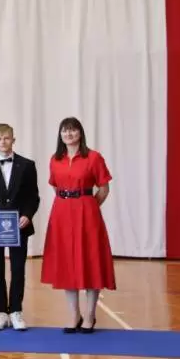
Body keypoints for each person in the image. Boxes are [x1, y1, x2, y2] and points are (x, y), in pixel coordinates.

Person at [41, 117, 114, 334]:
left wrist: (89, 207)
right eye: (65, 131)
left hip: (87, 213)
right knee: (67, 263)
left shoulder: (94, 157)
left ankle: (89, 315)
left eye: (73, 130)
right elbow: (56, 186)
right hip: (62, 213)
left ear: (80, 133)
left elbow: (104, 189)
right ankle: (74, 315)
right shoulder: (55, 159)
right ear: (60, 134)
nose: (69, 134)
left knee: (91, 260)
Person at [0, 124, 40, 331]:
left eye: (7, 138)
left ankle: (16, 311)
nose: (3, 142)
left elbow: (33, 197)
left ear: (14, 139)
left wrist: (27, 215)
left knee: (18, 269)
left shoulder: (27, 165)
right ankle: (1, 312)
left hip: (19, 227)